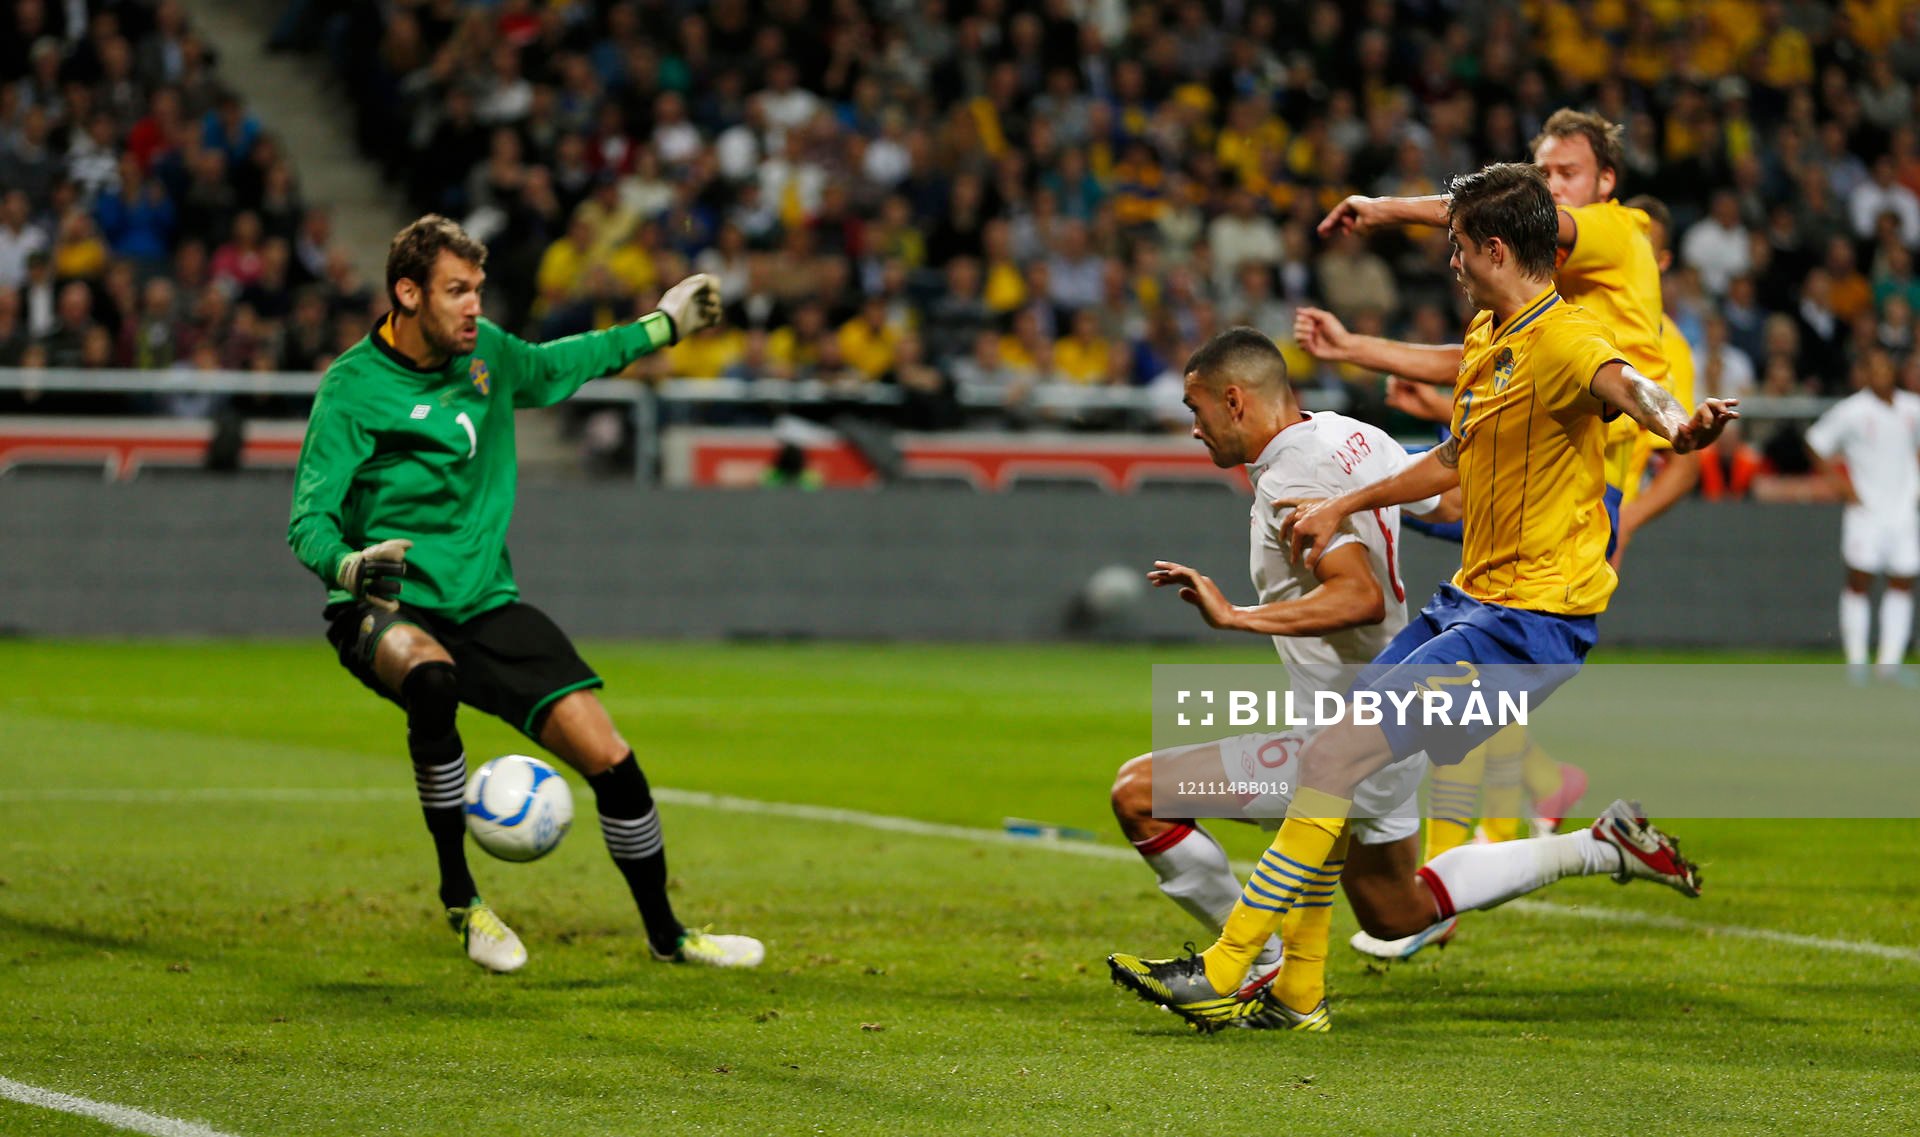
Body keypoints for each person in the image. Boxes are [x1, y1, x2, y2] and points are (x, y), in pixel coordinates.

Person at [1108, 164, 1737, 1031]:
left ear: (1494, 249)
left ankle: (1227, 967)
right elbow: (1448, 461)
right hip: (1470, 603)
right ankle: (1295, 992)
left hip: (1533, 620)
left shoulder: (1568, 336)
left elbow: (1629, 385)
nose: (1450, 261)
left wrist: (1679, 424)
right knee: (1370, 848)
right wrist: (1348, 504)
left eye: (1458, 245)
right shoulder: (1489, 337)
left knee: (1330, 761)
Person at [287, 215, 762, 973]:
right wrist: (349, 567)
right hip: (385, 603)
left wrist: (663, 325)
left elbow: (562, 361)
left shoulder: (488, 355)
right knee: (431, 678)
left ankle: (669, 936)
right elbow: (307, 520)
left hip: (483, 602)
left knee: (612, 758)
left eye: (477, 289)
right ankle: (462, 899)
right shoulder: (352, 388)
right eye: (456, 291)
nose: (474, 306)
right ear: (407, 294)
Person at [1301, 111, 1685, 864]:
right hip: (1524, 474)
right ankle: (1534, 803)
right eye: (1544, 173)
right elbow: (1476, 371)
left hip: (1570, 501)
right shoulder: (1522, 318)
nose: (1554, 187)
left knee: (1438, 693)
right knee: (1447, 692)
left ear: (1606, 182)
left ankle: (1457, 860)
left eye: (1567, 173)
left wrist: (1384, 209)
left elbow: (1641, 394)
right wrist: (1359, 351)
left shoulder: (1614, 235)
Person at [1109, 326, 1451, 1030]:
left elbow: (1359, 595)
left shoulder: (1292, 477)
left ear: (1234, 400)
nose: (1194, 427)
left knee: (1140, 795)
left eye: (1197, 408)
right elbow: (1450, 507)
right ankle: (1594, 847)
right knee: (1395, 913)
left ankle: (1252, 965)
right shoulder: (1351, 436)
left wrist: (1237, 616)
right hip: (1397, 716)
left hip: (1349, 736)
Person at [1804, 348, 1920, 683]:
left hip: (1904, 512)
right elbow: (1814, 442)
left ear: (1894, 372)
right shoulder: (1851, 411)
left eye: (1886, 367)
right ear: (1865, 374)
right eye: (1874, 368)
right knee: (1859, 581)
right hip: (1865, 511)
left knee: (1902, 582)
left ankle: (1889, 663)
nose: (1881, 373)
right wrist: (1841, 486)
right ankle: (1856, 661)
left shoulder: (1912, 408)